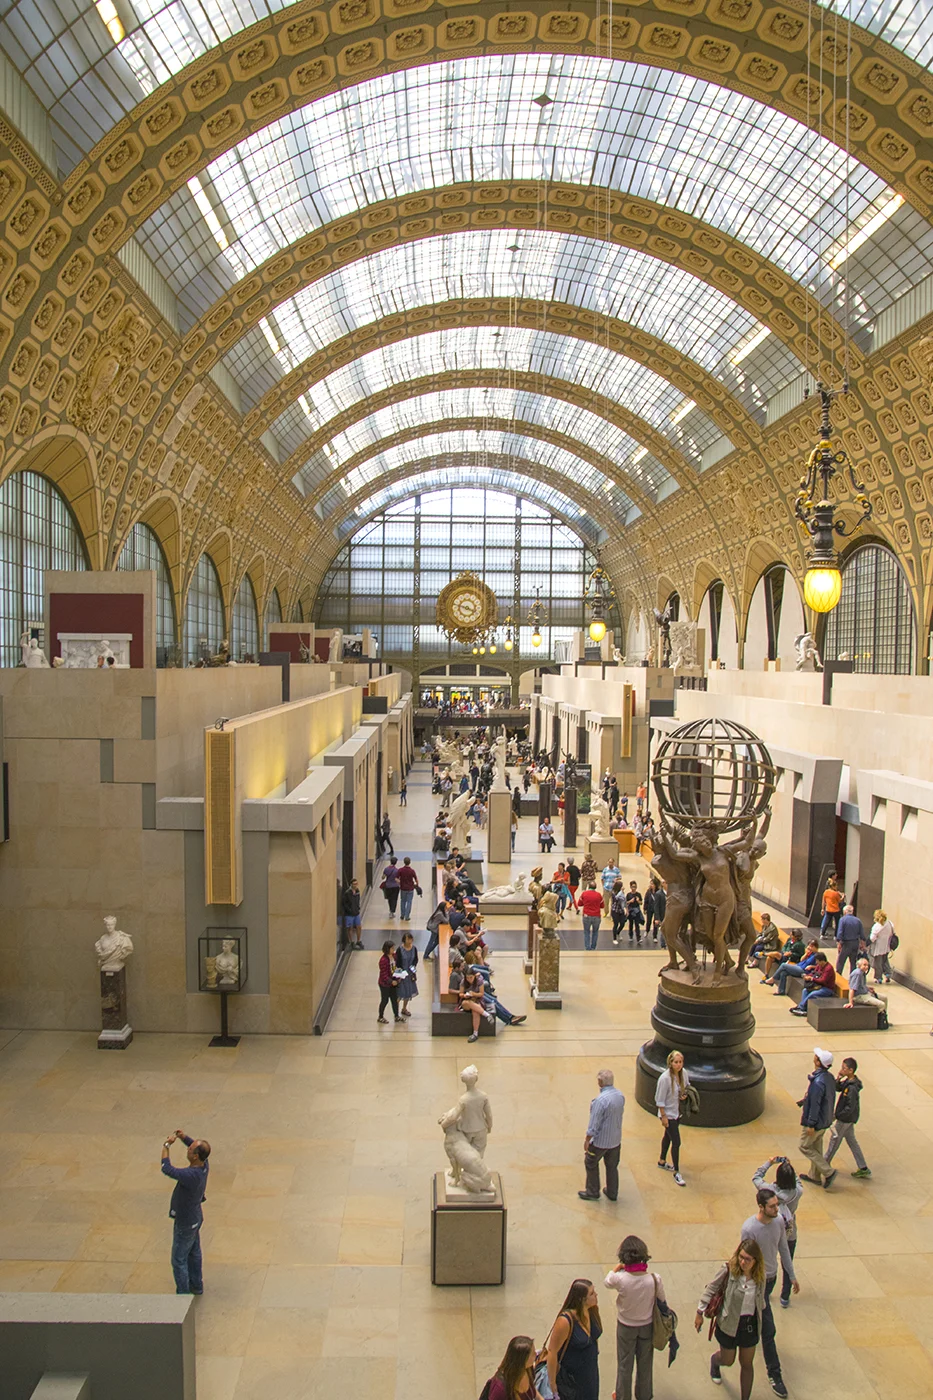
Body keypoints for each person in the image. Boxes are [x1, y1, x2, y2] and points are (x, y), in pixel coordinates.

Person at [740, 1188, 798, 1398]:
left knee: (759, 1322)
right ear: (761, 1207)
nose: (777, 1209)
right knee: (768, 1329)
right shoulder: (749, 1228)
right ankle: (775, 1374)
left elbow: (783, 1248)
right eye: (772, 1206)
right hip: (757, 1283)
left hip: (771, 1279)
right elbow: (744, 1258)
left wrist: (791, 1276)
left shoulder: (779, 1222)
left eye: (776, 1205)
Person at [695, 1238, 767, 1399]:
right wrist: (699, 1312)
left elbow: (760, 1302)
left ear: (756, 1261)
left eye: (748, 1259)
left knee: (747, 1364)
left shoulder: (760, 1277)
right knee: (728, 1360)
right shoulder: (728, 1270)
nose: (743, 1262)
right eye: (741, 1257)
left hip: (749, 1325)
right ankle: (715, 1362)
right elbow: (711, 1288)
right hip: (729, 1323)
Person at [604, 1234, 664, 1400]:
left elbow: (607, 1281)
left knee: (625, 1364)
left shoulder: (621, 1279)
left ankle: (623, 1396)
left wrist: (617, 1267)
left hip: (625, 1326)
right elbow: (662, 1301)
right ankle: (644, 1395)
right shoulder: (654, 1279)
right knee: (645, 1364)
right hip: (647, 1326)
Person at [161, 1129, 210, 1295]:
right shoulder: (204, 1166)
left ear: (196, 1156)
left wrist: (167, 1145)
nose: (187, 1149)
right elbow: (194, 1145)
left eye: (190, 1150)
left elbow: (167, 1169)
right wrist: (184, 1138)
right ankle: (196, 1285)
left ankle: (182, 1294)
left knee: (179, 1259)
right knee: (194, 1252)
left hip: (185, 1222)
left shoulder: (190, 1175)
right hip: (196, 1217)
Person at [753, 1158, 802, 1308]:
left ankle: (766, 1291)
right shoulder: (798, 1192)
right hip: (790, 1231)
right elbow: (798, 1181)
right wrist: (789, 1166)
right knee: (787, 1261)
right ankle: (785, 1295)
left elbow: (756, 1177)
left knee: (768, 1260)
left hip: (772, 1231)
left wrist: (769, 1162)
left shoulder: (769, 1192)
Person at [545, 1279, 602, 1400]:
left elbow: (594, 1336)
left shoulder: (592, 1310)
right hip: (571, 1379)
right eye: (592, 1293)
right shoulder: (565, 1321)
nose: (596, 1294)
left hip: (591, 1373)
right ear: (582, 1299)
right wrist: (552, 1383)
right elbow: (552, 1351)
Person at [579, 1069, 625, 1201]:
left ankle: (593, 1191)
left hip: (600, 1141)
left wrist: (588, 1140)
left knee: (591, 1162)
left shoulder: (600, 1101)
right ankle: (612, 1192)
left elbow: (594, 1124)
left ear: (600, 1082)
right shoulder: (620, 1096)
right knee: (612, 1166)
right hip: (615, 1140)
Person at [797, 1046, 837, 1188]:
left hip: (816, 1121)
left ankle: (828, 1171)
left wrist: (811, 1124)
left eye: (816, 1057)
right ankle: (814, 1175)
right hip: (825, 1120)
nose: (814, 1057)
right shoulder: (829, 1078)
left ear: (819, 1062)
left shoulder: (818, 1082)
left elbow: (815, 1104)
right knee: (816, 1146)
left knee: (804, 1146)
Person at [826, 1056, 871, 1178]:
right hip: (849, 1119)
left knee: (834, 1141)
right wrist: (838, 1078)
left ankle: (823, 1166)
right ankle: (863, 1167)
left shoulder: (852, 1088)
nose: (842, 1070)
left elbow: (849, 1107)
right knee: (852, 1141)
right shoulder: (848, 1082)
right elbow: (838, 1088)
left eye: (844, 1068)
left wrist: (837, 1116)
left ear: (851, 1070)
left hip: (845, 1119)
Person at [655, 1049, 689, 1186]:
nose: (678, 1065)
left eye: (680, 1062)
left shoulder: (683, 1074)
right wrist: (663, 1116)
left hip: (677, 1112)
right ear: (670, 1063)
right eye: (676, 1062)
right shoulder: (664, 1079)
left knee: (668, 1137)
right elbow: (660, 1099)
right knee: (676, 1141)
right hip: (668, 1114)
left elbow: (686, 1087)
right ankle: (676, 1170)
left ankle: (662, 1161)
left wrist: (684, 1095)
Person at [485, 1335, 542, 1400]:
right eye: (532, 1354)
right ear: (522, 1360)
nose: (536, 1354)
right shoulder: (500, 1388)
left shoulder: (528, 1369)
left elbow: (533, 1391)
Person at [789, 950, 836, 1015]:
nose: (816, 962)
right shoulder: (819, 966)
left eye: (817, 961)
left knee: (813, 994)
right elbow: (814, 973)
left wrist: (811, 979)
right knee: (805, 990)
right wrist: (807, 976)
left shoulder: (828, 968)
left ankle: (801, 1007)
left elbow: (823, 980)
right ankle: (803, 1008)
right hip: (818, 986)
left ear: (822, 961)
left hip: (827, 988)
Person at [845, 954, 888, 1022]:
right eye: (864, 965)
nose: (866, 967)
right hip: (860, 996)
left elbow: (861, 985)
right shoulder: (857, 974)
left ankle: (884, 1019)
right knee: (881, 1005)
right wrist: (850, 1002)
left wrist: (868, 988)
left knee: (884, 998)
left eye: (867, 965)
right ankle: (877, 1020)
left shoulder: (862, 973)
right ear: (859, 965)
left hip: (865, 993)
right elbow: (852, 988)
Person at [458, 964, 495, 1043]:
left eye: (471, 977)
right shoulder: (463, 982)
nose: (469, 979)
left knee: (475, 1011)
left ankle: (475, 1034)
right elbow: (460, 994)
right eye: (467, 978)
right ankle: (487, 1015)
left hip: (477, 1000)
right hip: (467, 1001)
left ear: (474, 976)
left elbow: (481, 994)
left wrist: (474, 994)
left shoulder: (479, 981)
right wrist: (465, 995)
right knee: (467, 1003)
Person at [395, 930, 419, 1018]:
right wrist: (399, 975)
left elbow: (415, 960)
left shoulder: (414, 949)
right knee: (399, 992)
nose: (409, 941)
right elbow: (397, 962)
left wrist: (413, 971)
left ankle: (404, 1008)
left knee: (408, 992)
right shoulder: (399, 949)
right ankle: (396, 1011)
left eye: (410, 939)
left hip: (410, 973)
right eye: (408, 939)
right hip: (401, 972)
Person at [377, 940, 402, 1024]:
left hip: (393, 982)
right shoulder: (383, 960)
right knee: (385, 1000)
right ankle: (380, 1016)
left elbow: (395, 967)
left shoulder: (394, 956)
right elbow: (384, 974)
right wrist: (391, 981)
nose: (393, 950)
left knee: (394, 1000)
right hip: (385, 984)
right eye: (392, 948)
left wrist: (398, 976)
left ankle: (396, 1016)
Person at [834, 904, 863, 974]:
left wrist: (838, 942)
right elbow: (862, 934)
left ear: (844, 912)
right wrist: (862, 943)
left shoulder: (842, 920)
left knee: (841, 961)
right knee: (853, 962)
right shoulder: (858, 920)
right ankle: (853, 977)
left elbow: (840, 932)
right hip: (855, 943)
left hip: (846, 943)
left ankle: (838, 976)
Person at [869, 909, 895, 982]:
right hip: (887, 946)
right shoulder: (890, 923)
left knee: (878, 963)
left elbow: (872, 938)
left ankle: (878, 978)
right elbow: (892, 933)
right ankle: (888, 974)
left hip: (878, 947)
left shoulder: (877, 926)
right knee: (885, 960)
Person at [578, 881, 605, 951]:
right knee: (595, 932)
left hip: (586, 916)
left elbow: (579, 903)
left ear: (588, 886)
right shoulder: (599, 895)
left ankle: (587, 947)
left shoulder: (584, 894)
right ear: (595, 887)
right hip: (596, 916)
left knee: (586, 932)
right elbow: (602, 906)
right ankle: (593, 947)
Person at [341, 878, 363, 950]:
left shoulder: (357, 892)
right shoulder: (347, 893)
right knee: (350, 928)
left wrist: (357, 908)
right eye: (354, 884)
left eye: (356, 884)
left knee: (358, 926)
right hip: (349, 914)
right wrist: (349, 910)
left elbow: (357, 900)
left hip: (356, 913)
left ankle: (358, 940)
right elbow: (344, 903)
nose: (355, 885)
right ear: (351, 885)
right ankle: (351, 942)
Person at [397, 857, 420, 921]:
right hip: (410, 888)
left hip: (403, 888)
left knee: (403, 901)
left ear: (404, 862)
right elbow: (416, 879)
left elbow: (396, 878)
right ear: (409, 862)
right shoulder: (412, 871)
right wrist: (417, 885)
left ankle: (402, 915)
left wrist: (400, 883)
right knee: (409, 902)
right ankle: (407, 916)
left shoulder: (400, 870)